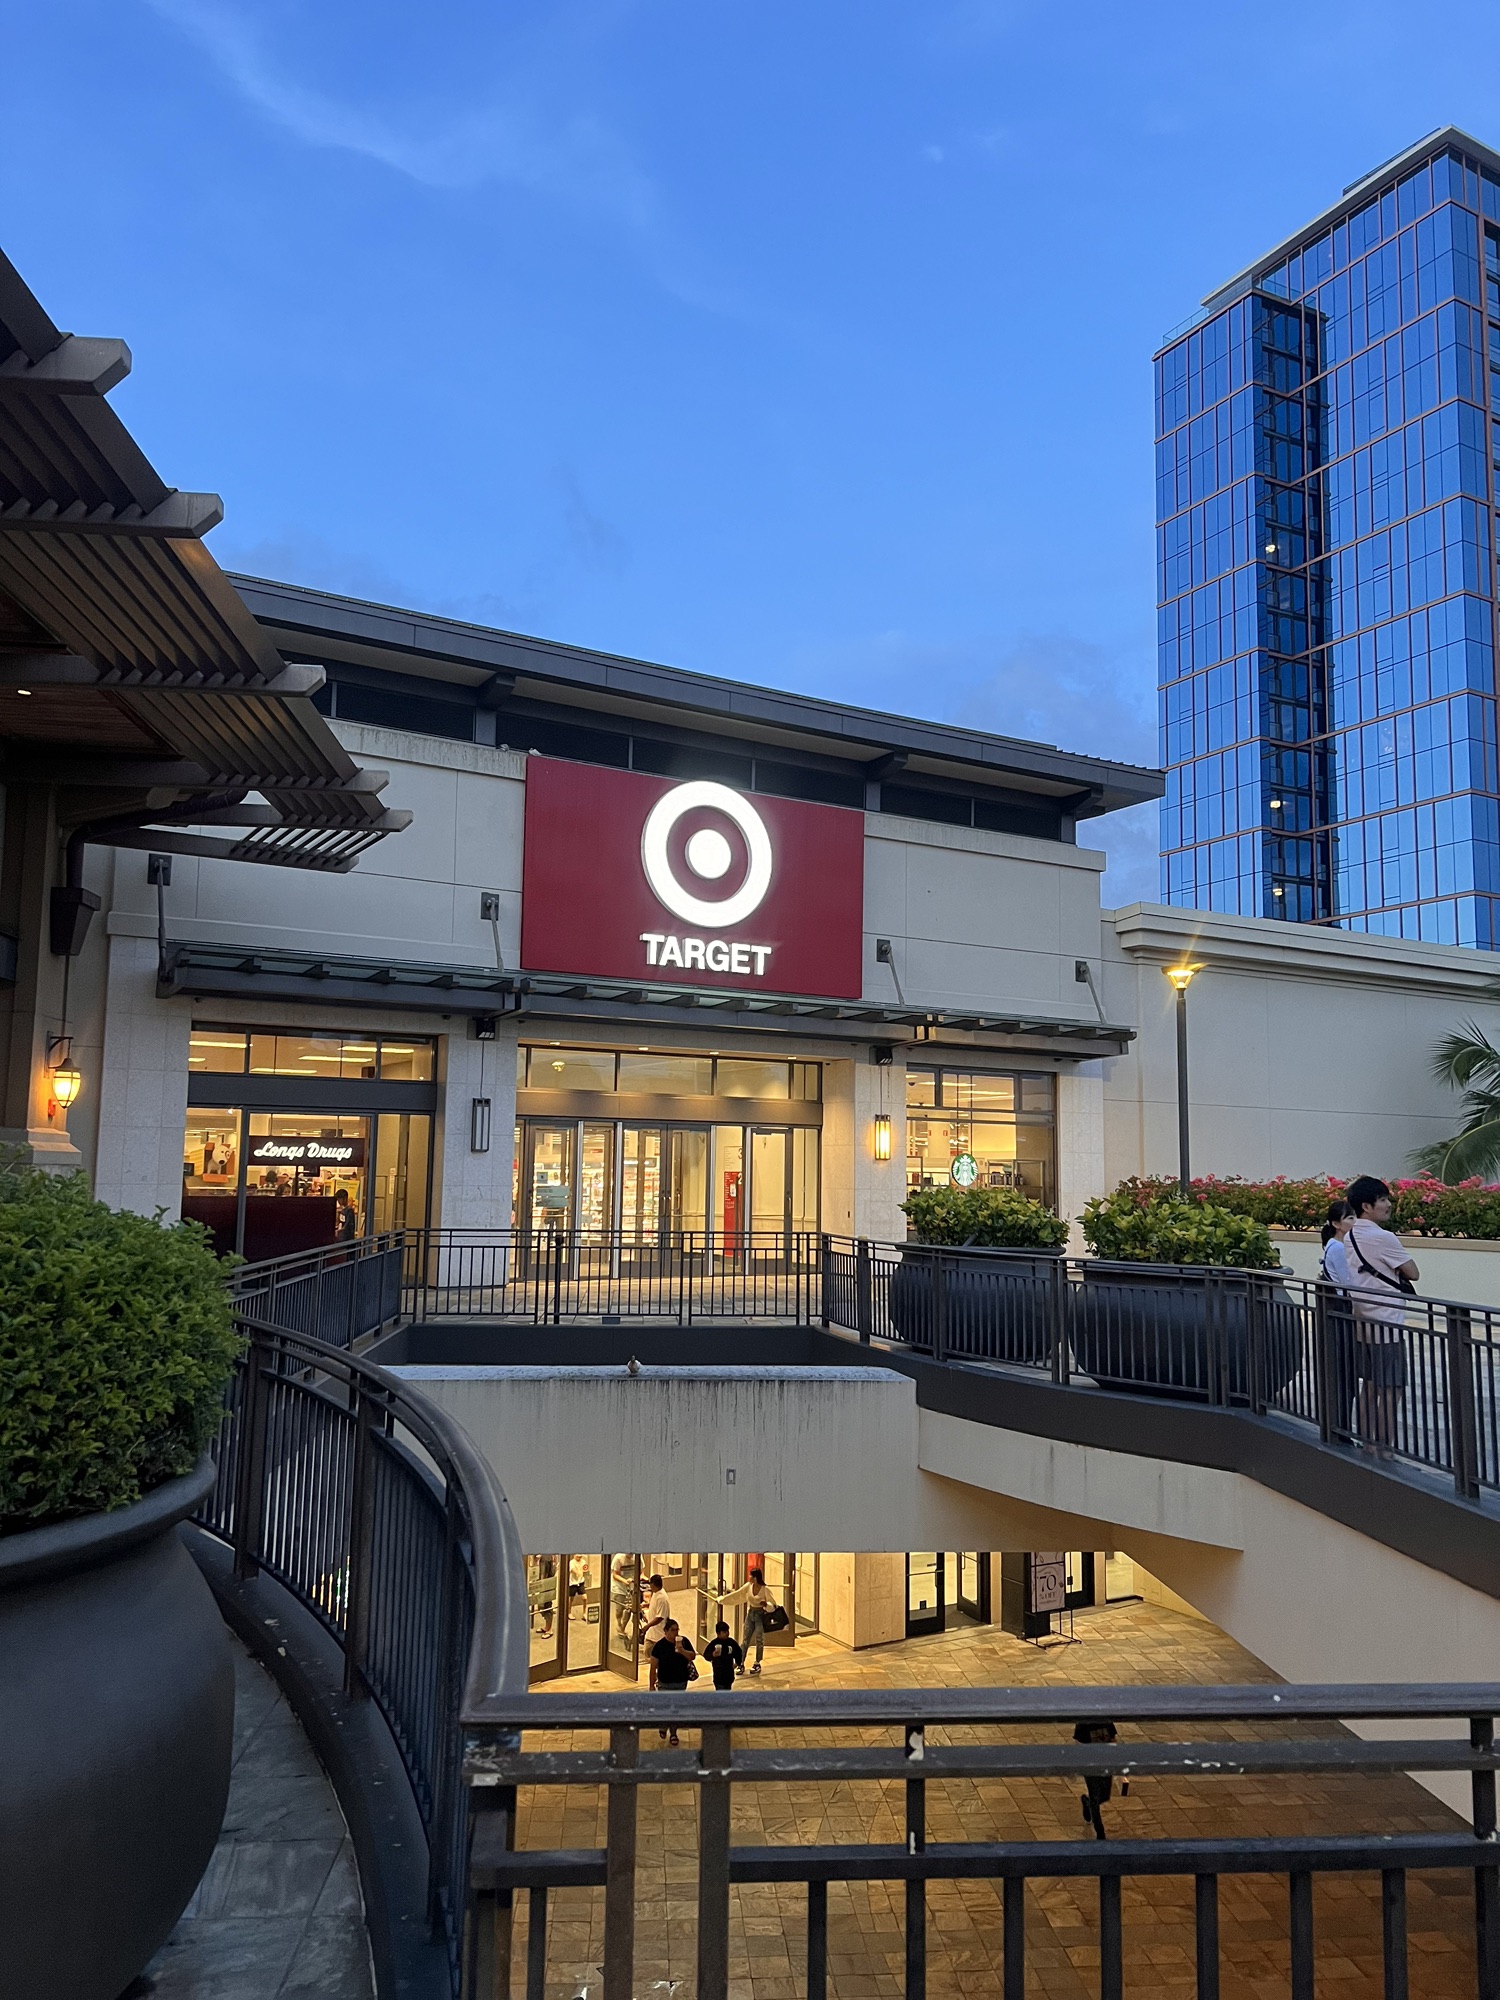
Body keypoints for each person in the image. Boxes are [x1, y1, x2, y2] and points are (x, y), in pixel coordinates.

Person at [1343, 1176, 1418, 1455]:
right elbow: (1413, 1272)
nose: (1388, 1205)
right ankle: (1386, 1449)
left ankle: (1368, 1444)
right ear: (1366, 1206)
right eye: (1383, 1200)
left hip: (1362, 1319)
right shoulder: (1383, 1237)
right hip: (1387, 1322)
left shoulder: (1350, 1235)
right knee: (1391, 1389)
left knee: (1371, 1386)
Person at [714, 1567, 778, 1675]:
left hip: (760, 1615)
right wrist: (722, 1600)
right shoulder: (748, 1586)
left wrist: (766, 1604)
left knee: (759, 1640)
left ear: (756, 1577)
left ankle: (757, 1663)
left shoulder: (765, 1589)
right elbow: (737, 1595)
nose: (749, 1577)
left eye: (751, 1576)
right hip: (751, 1614)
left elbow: (773, 1605)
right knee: (745, 1640)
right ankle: (741, 1662)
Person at [1073, 1720, 1125, 1839]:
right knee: (1095, 1799)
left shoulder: (1106, 1721)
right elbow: (1079, 1747)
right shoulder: (1083, 1725)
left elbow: (1113, 1740)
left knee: (1105, 1796)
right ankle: (1100, 1832)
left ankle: (1087, 1802)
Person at [648, 1617, 696, 1746]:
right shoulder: (659, 1646)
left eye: (677, 1630)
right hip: (665, 1682)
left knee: (676, 1708)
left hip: (680, 1681)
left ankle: (673, 1732)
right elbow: (653, 1666)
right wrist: (651, 1685)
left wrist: (681, 1650)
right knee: (665, 1707)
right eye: (673, 1630)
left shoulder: (684, 1641)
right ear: (666, 1631)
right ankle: (663, 1725)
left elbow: (692, 1656)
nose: (676, 1633)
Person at [703, 1620, 744, 1691]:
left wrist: (737, 1663)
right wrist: (713, 1655)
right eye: (724, 1632)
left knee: (728, 1690)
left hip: (729, 1674)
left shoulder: (731, 1642)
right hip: (718, 1675)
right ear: (718, 1633)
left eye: (727, 1631)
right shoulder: (714, 1643)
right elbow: (706, 1655)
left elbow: (738, 1652)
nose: (727, 1633)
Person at [641, 1573, 672, 1655]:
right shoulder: (656, 1593)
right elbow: (654, 1605)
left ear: (653, 1584)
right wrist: (645, 1605)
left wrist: (647, 1626)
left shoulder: (662, 1598)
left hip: (658, 1635)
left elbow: (660, 1617)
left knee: (650, 1654)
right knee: (647, 1653)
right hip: (652, 1632)